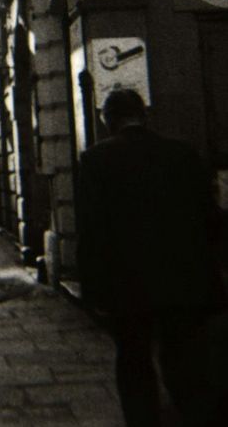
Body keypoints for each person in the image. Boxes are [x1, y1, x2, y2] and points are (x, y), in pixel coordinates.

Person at [78, 89, 226, 427]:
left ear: (108, 120)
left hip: (128, 286)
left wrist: (92, 287)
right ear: (144, 115)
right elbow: (209, 218)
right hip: (184, 279)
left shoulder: (96, 160)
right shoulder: (183, 154)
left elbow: (92, 231)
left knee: (134, 361)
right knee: (185, 358)